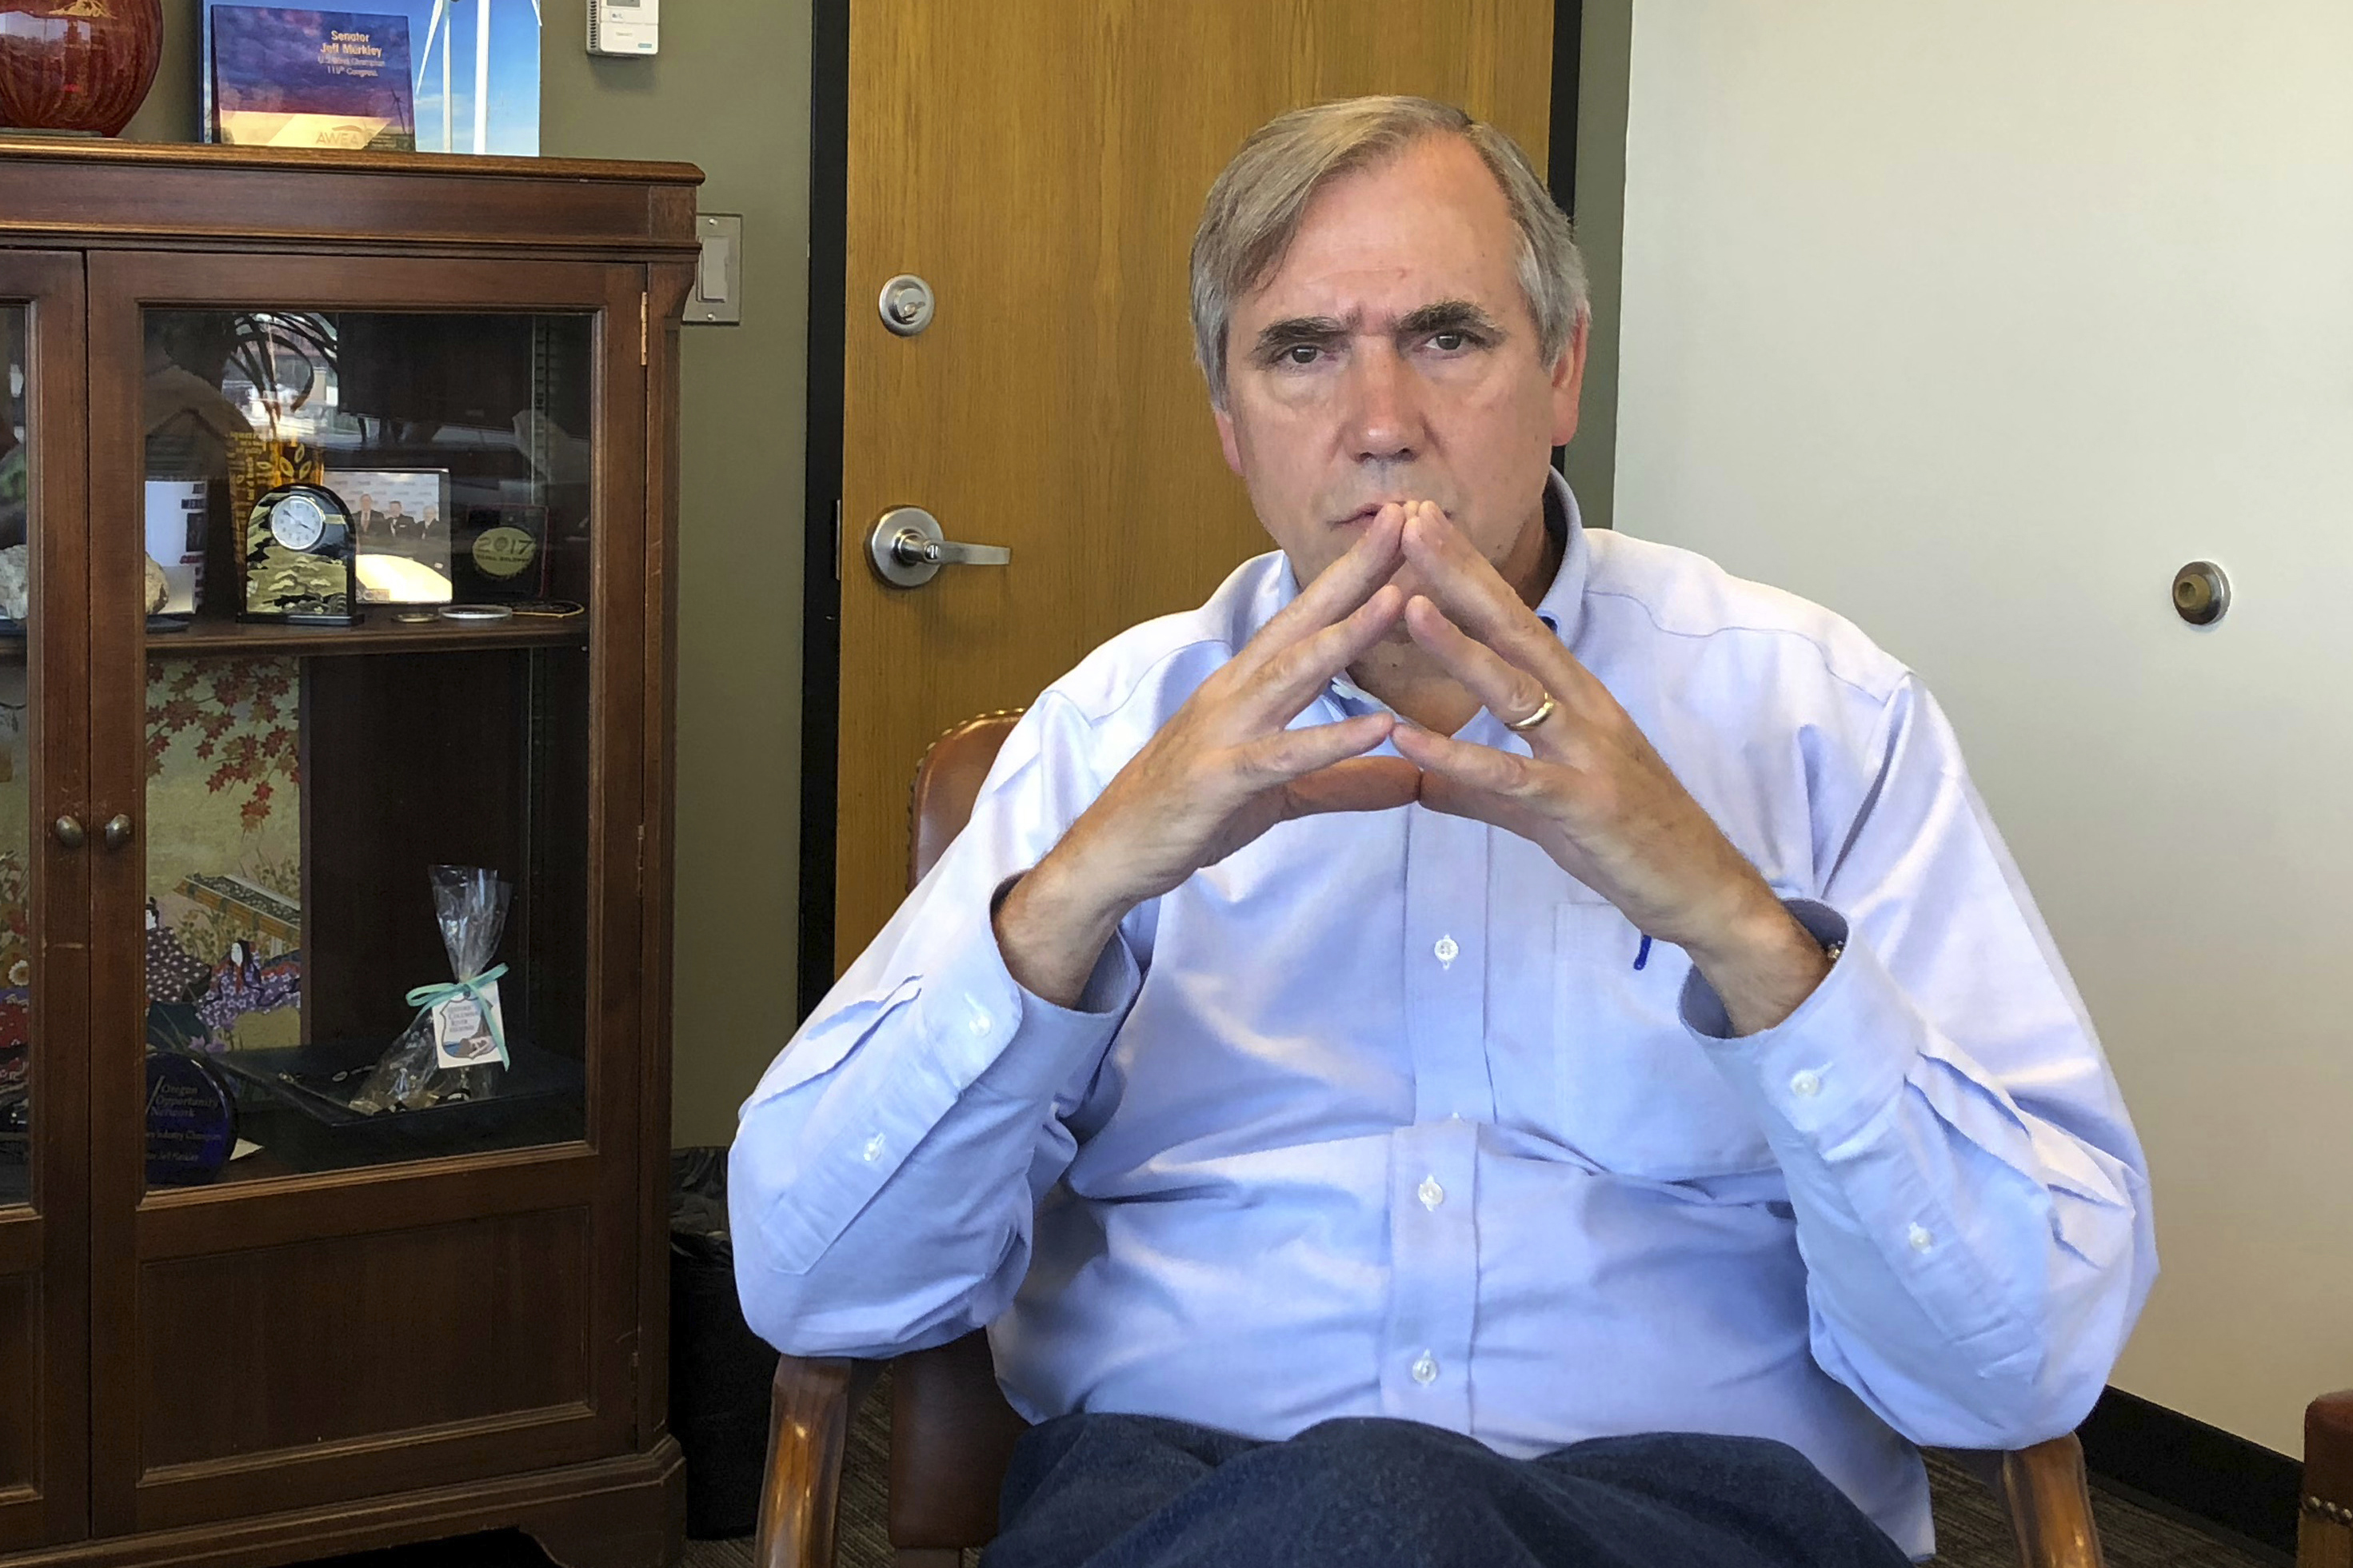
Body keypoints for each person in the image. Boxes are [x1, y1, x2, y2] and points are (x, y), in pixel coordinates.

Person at [730, 96, 2153, 1567]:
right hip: (1185, 1511)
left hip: (1698, 1516)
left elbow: (2014, 1364)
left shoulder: (1818, 714)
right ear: (1227, 421)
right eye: (1299, 351)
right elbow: (813, 1281)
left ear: (1563, 374)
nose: (1381, 427)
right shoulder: (1109, 731)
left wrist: (1737, 925)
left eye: (1447, 336)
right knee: (1364, 1510)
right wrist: (1081, 886)